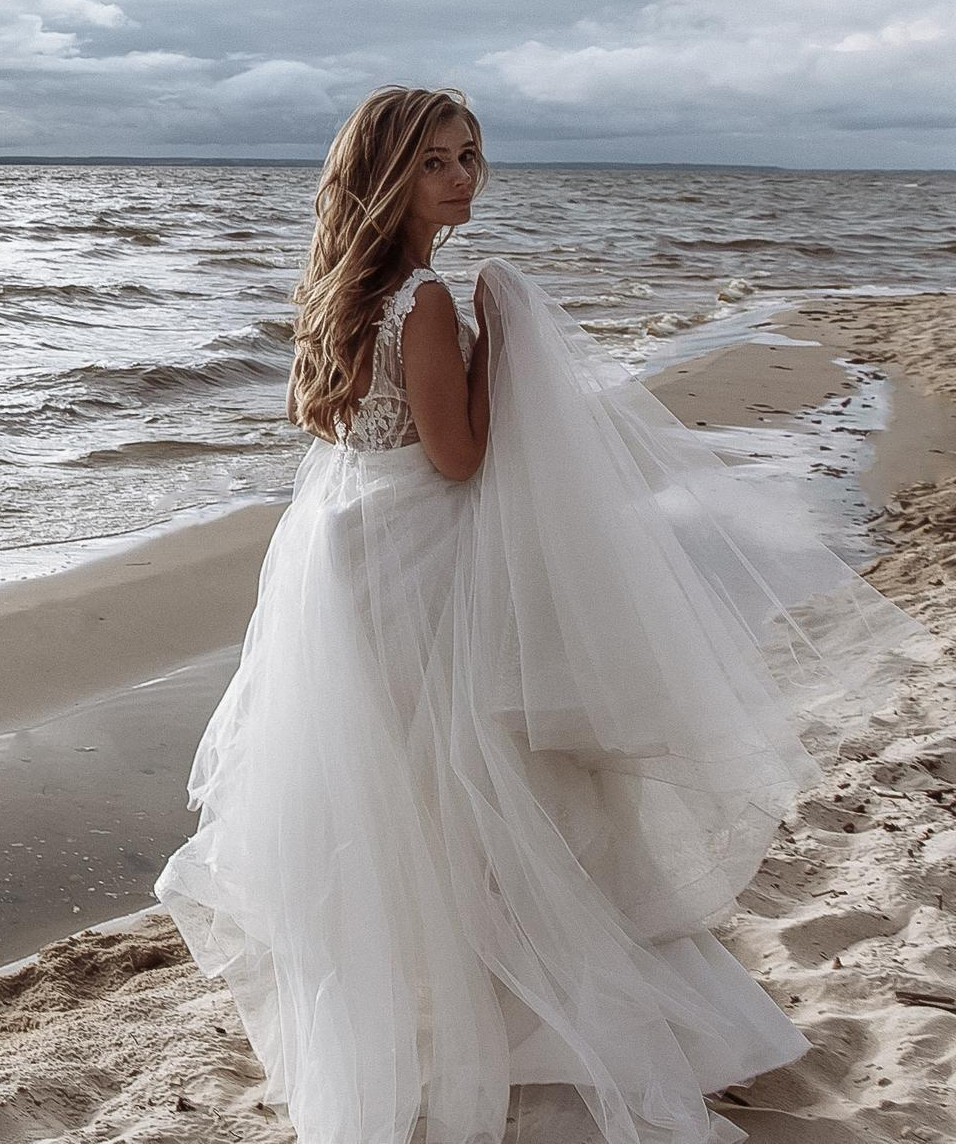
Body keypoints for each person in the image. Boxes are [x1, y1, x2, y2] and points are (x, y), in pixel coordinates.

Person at [152, 85, 940, 1144]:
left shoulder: (346, 288)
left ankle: (444, 1031)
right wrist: (508, 344)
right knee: (487, 790)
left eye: (471, 155)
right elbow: (459, 456)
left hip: (347, 549)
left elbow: (365, 438)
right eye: (436, 160)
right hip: (416, 556)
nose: (462, 177)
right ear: (387, 172)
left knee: (406, 796)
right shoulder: (423, 300)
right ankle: (527, 1031)